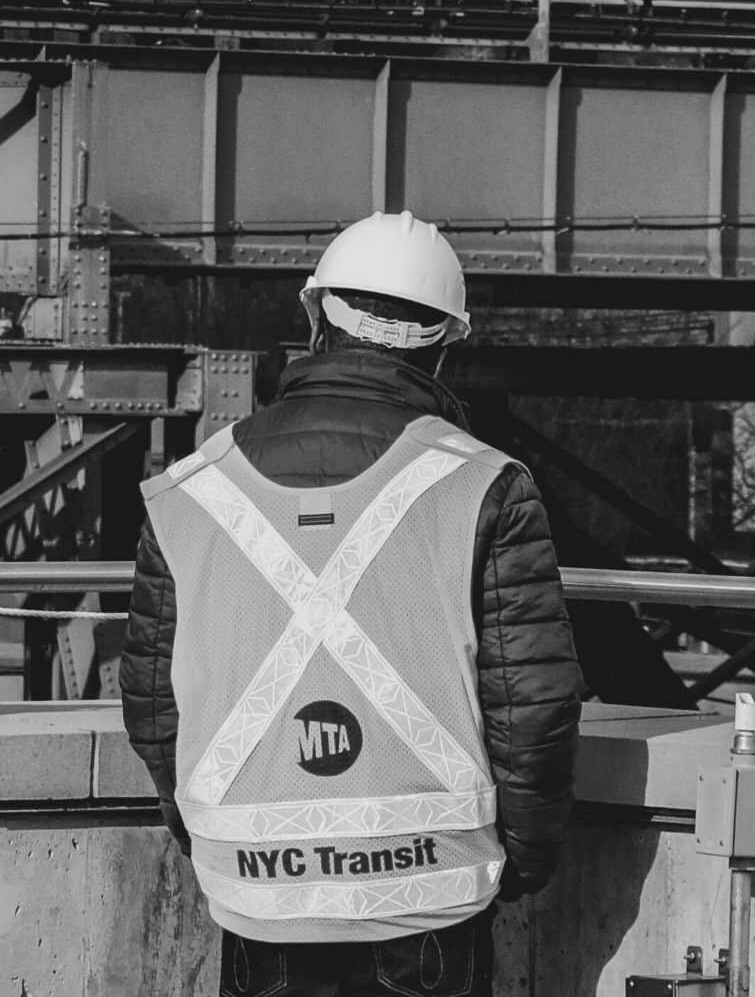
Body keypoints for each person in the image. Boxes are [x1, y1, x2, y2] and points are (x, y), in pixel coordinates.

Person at [120, 211, 582, 997]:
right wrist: (520, 862)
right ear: (446, 343)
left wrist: (211, 837)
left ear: (313, 316)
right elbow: (532, 706)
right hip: (430, 900)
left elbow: (152, 705)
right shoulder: (486, 486)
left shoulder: (191, 491)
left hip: (256, 896)